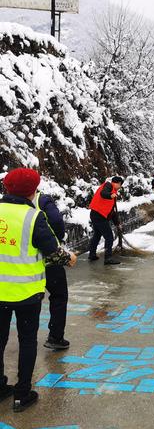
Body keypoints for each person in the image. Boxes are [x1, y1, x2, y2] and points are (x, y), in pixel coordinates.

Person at [0, 168, 76, 412]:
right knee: (27, 341)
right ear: (33, 191)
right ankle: (22, 394)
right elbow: (52, 250)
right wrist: (69, 257)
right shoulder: (33, 217)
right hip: (26, 294)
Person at [33, 191, 70, 350]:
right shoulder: (42, 200)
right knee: (59, 295)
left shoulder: (5, 205)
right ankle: (55, 336)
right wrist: (57, 238)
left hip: (19, 266)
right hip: (48, 259)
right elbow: (56, 220)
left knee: (25, 302)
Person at [88, 176, 124, 265]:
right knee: (109, 237)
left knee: (97, 235)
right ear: (117, 183)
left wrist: (117, 223)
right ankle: (108, 258)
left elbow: (112, 211)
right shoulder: (108, 185)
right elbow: (103, 193)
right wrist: (110, 195)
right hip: (98, 215)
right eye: (120, 185)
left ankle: (92, 254)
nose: (120, 187)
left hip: (96, 215)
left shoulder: (113, 192)